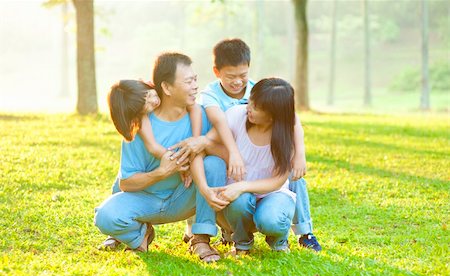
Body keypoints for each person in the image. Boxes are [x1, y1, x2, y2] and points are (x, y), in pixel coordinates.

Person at [173, 38, 321, 251]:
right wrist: (227, 151)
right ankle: (217, 234)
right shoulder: (213, 97)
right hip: (228, 153)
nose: (238, 82)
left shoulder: (260, 91)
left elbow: (291, 118)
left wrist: (300, 154)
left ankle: (301, 232)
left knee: (294, 175)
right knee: (219, 174)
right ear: (217, 72)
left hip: (260, 163)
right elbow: (219, 123)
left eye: (243, 75)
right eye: (230, 76)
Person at [94, 52, 226, 262]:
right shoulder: (138, 125)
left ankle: (200, 239)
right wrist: (162, 171)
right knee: (105, 216)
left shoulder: (202, 114)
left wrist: (202, 142)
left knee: (215, 165)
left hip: (185, 196)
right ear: (166, 87)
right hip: (147, 200)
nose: (195, 86)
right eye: (188, 81)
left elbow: (226, 155)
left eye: (195, 80)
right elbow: (126, 183)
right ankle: (141, 235)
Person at [210, 77, 298, 253]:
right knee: (239, 201)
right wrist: (230, 156)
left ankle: (278, 239)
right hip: (239, 196)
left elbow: (277, 181)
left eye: (256, 107)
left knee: (271, 220)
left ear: (273, 116)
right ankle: (242, 243)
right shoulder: (236, 115)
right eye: (250, 100)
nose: (248, 107)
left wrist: (242, 186)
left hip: (273, 194)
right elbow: (209, 142)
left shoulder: (286, 137)